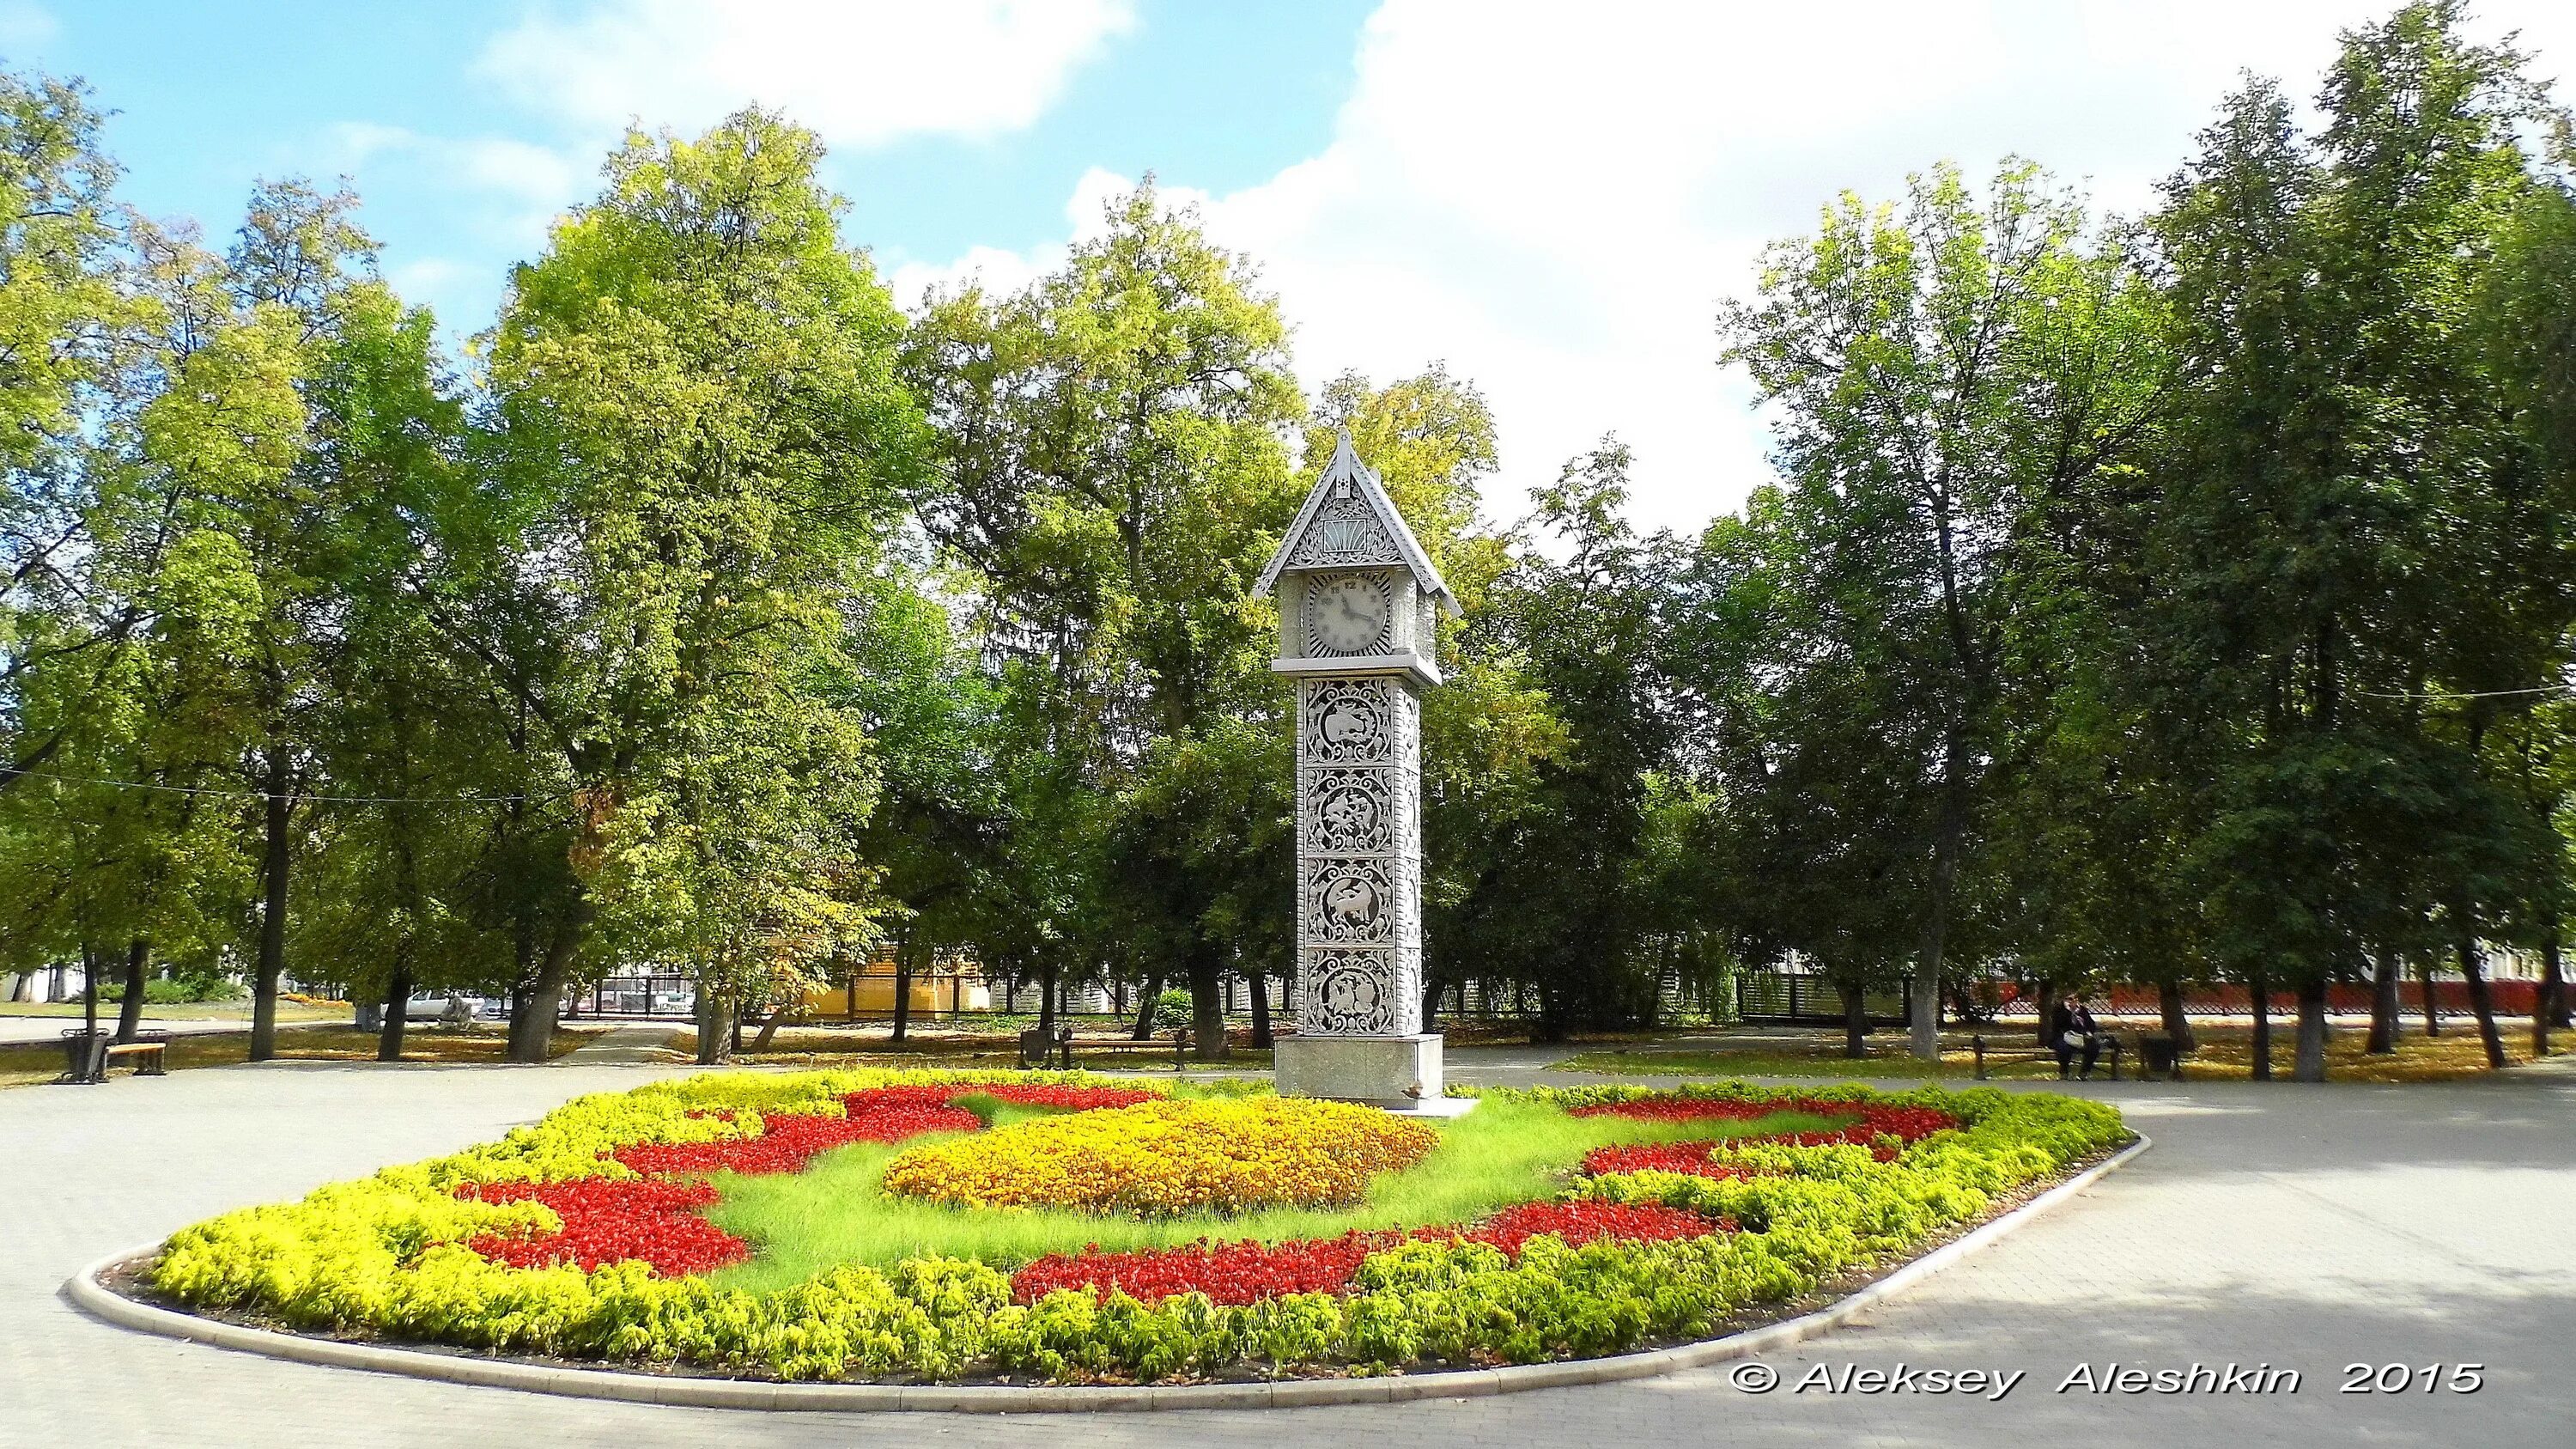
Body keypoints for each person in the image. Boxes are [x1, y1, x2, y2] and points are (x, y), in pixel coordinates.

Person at [2050, 996, 2105, 1080]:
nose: (2073, 1001)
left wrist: (2088, 1031)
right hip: (2063, 1036)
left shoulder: (2082, 1010)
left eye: (2075, 999)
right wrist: (2068, 1011)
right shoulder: (2059, 1010)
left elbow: (2091, 1025)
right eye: (2070, 999)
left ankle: (2084, 1072)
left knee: (2094, 1047)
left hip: (2080, 1037)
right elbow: (2057, 1024)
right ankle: (2064, 1072)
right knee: (2064, 1049)